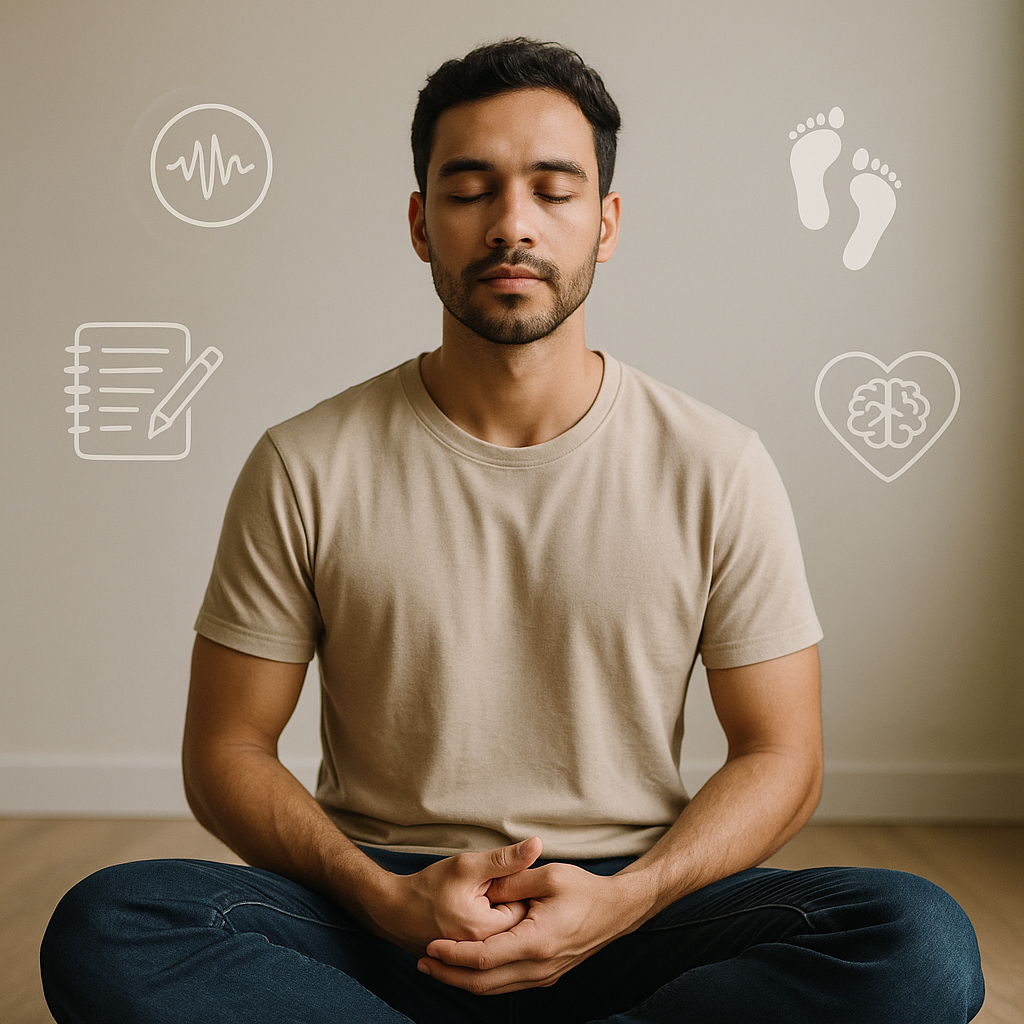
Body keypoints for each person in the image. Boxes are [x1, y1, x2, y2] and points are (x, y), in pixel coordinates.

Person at [41, 37, 984, 1024]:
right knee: (111, 923)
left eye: (552, 188)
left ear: (606, 222)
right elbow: (227, 746)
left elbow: (782, 755)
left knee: (917, 940)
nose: (511, 223)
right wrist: (385, 898)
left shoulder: (717, 462)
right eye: (470, 188)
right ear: (419, 221)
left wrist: (626, 900)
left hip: (629, 907)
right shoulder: (305, 461)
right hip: (382, 909)